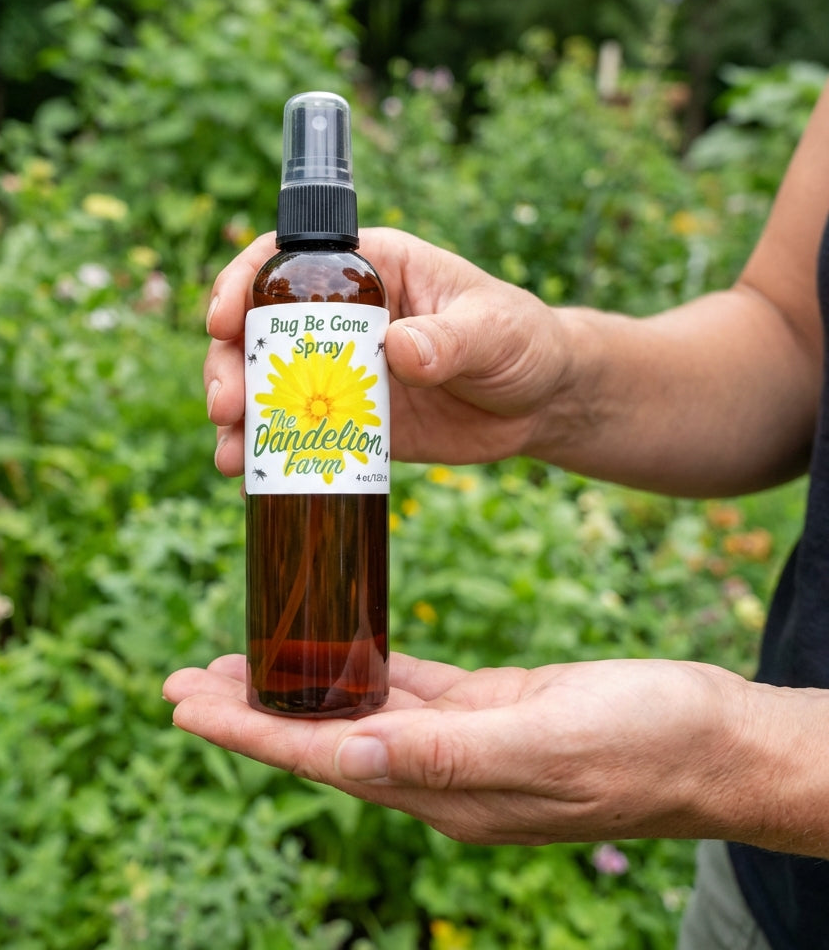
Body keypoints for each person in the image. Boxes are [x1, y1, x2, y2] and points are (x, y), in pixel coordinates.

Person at [163, 82, 829, 950]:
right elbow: (791, 336)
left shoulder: (343, 284)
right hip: (767, 900)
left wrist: (746, 759)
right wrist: (547, 393)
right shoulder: (296, 282)